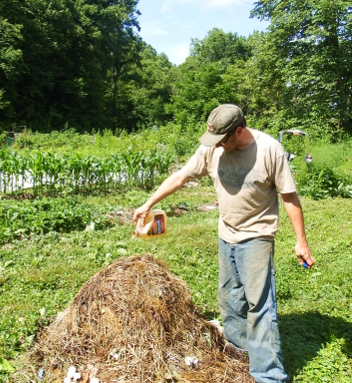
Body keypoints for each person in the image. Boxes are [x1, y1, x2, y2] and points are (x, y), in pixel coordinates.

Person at [133, 104, 316, 383]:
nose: (216, 147)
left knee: (260, 307)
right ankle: (241, 352)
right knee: (229, 299)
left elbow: (289, 197)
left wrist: (301, 242)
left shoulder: (269, 150)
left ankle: (269, 376)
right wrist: (149, 203)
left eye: (221, 141)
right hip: (226, 234)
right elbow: (182, 176)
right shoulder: (213, 146)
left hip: (257, 235)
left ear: (239, 131)